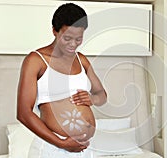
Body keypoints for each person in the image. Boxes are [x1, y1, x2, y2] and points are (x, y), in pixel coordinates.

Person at [16, 3, 107, 157]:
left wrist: (92, 99)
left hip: (84, 149)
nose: (73, 44)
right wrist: (62, 143)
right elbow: (23, 113)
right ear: (54, 31)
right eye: (67, 38)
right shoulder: (36, 61)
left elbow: (102, 95)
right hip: (53, 148)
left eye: (78, 39)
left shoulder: (81, 59)